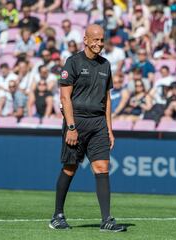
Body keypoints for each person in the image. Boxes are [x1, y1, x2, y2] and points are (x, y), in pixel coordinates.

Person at [49, 24, 126, 232]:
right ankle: (57, 215)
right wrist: (71, 127)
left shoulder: (105, 65)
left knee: (102, 168)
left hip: (98, 124)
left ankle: (106, 219)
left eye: (102, 40)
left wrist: (110, 129)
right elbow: (64, 97)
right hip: (77, 122)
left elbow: (107, 99)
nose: (99, 43)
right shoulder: (72, 62)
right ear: (85, 40)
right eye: (95, 39)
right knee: (70, 168)